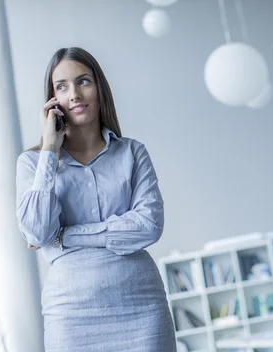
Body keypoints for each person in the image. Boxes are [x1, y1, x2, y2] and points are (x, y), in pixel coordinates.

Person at [15, 47, 176, 351]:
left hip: (141, 308)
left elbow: (149, 226)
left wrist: (66, 236)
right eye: (61, 86)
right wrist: (50, 148)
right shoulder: (32, 163)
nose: (74, 93)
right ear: (52, 101)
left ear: (100, 87)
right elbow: (37, 232)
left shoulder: (132, 153)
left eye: (83, 81)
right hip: (70, 314)